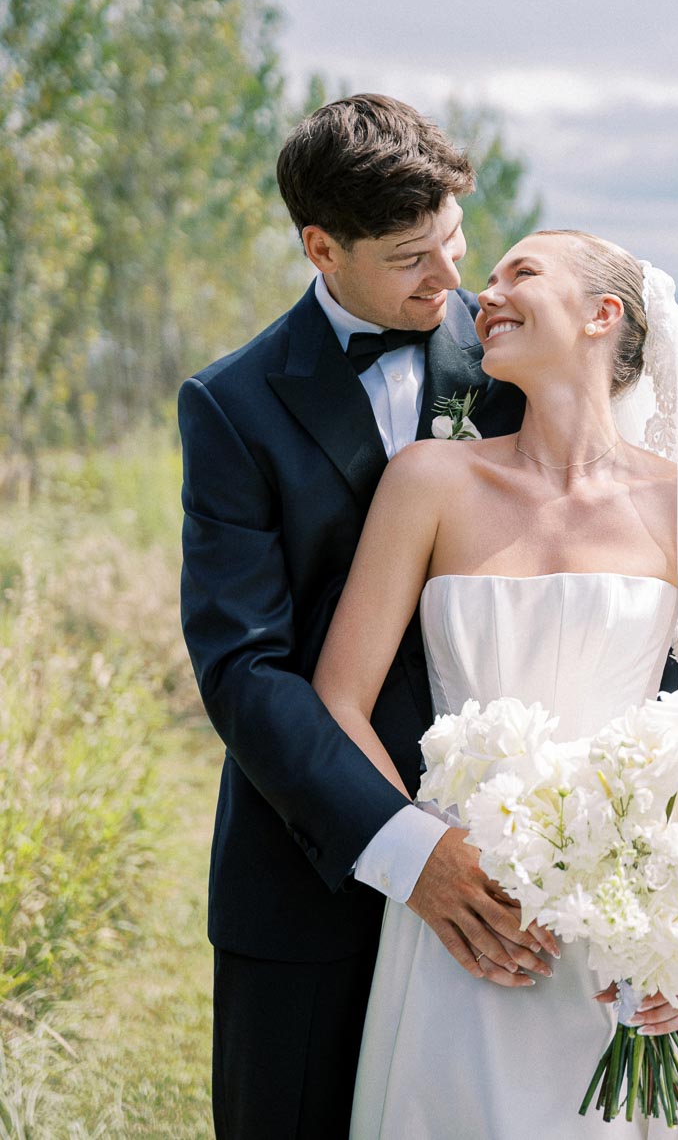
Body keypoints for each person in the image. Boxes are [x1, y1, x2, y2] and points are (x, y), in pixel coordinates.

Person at [312, 229, 678, 1138]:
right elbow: (341, 699)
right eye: (492, 275)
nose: (486, 293)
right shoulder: (428, 479)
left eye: (522, 273)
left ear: (603, 314)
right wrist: (429, 864)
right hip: (462, 912)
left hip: (622, 935)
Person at [179, 94, 555, 1140]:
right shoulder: (232, 406)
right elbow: (244, 670)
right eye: (410, 259)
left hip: (511, 858)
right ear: (320, 246)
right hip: (309, 874)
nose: (453, 283)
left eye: (454, 243)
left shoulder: (516, 363)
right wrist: (402, 846)